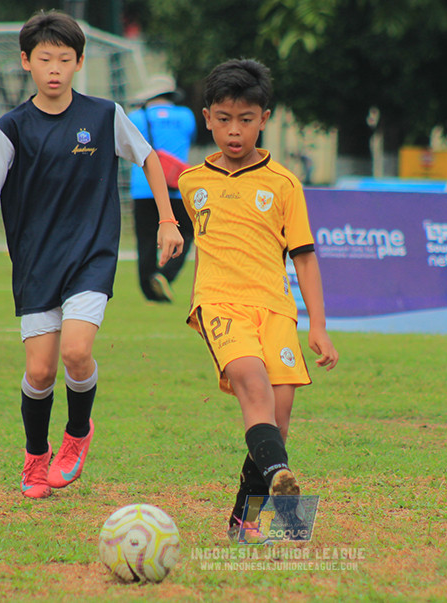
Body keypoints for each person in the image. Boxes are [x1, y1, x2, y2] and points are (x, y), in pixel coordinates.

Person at [0, 10, 184, 499]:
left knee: (77, 352)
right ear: (26, 62)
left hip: (90, 256)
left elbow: (147, 156)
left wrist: (167, 219)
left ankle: (77, 434)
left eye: (64, 58)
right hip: (36, 263)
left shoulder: (103, 116)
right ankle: (35, 457)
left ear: (79, 62)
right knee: (39, 371)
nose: (54, 68)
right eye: (44, 59)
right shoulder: (10, 128)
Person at [177, 58, 339, 540]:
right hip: (219, 304)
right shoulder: (192, 182)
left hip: (275, 308)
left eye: (245, 120)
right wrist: (167, 227)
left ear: (264, 119)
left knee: (278, 418)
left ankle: (244, 520)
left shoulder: (284, 184)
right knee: (251, 382)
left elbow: (305, 258)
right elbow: (166, 211)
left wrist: (318, 325)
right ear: (207, 117)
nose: (234, 131)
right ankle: (281, 484)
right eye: (224, 119)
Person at [128, 75, 196, 302]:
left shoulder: (136, 117)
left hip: (143, 186)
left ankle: (149, 289)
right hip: (176, 186)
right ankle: (165, 274)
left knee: (146, 237)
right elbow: (190, 136)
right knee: (186, 231)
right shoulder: (186, 116)